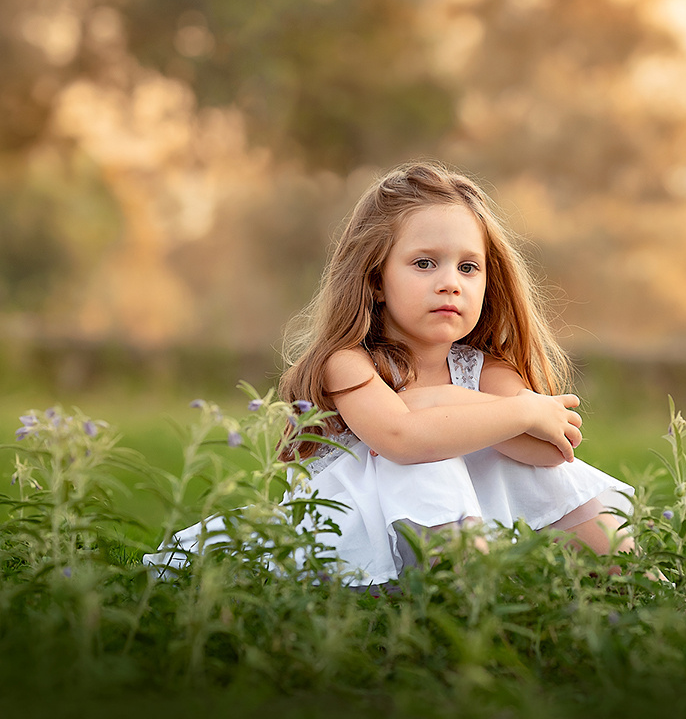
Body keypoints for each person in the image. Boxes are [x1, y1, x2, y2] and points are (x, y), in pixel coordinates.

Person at [148, 162, 634, 586]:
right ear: (377, 279)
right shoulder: (348, 363)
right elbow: (402, 439)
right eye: (425, 263)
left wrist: (442, 402)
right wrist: (522, 411)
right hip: (356, 533)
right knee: (427, 458)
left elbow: (549, 454)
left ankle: (634, 581)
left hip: (459, 525)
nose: (450, 282)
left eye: (469, 267)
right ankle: (464, 597)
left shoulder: (484, 369)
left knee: (525, 467)